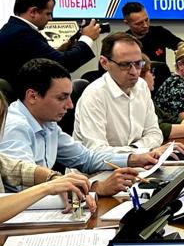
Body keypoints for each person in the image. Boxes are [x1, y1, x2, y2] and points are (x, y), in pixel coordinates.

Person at [0, 58, 159, 196]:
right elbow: (26, 190)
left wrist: (133, 159)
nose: (70, 105)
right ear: (32, 96)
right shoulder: (14, 127)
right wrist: (96, 188)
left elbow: (86, 158)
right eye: (61, 98)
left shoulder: (47, 122)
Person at [0, 92, 96, 222]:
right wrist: (48, 187)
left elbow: (14, 168)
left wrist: (55, 178)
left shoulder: (47, 123)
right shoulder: (16, 125)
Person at [73, 32, 164, 153]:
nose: (134, 72)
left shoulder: (141, 85)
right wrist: (138, 153)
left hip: (137, 160)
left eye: (138, 64)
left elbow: (155, 133)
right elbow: (97, 151)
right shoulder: (94, 95)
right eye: (125, 65)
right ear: (104, 63)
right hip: (99, 165)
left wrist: (135, 150)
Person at [0, 0, 100, 93]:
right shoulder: (23, 34)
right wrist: (87, 38)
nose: (50, 18)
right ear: (33, 12)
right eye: (48, 13)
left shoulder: (12, 28)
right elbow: (64, 64)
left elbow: (39, 59)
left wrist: (60, 51)